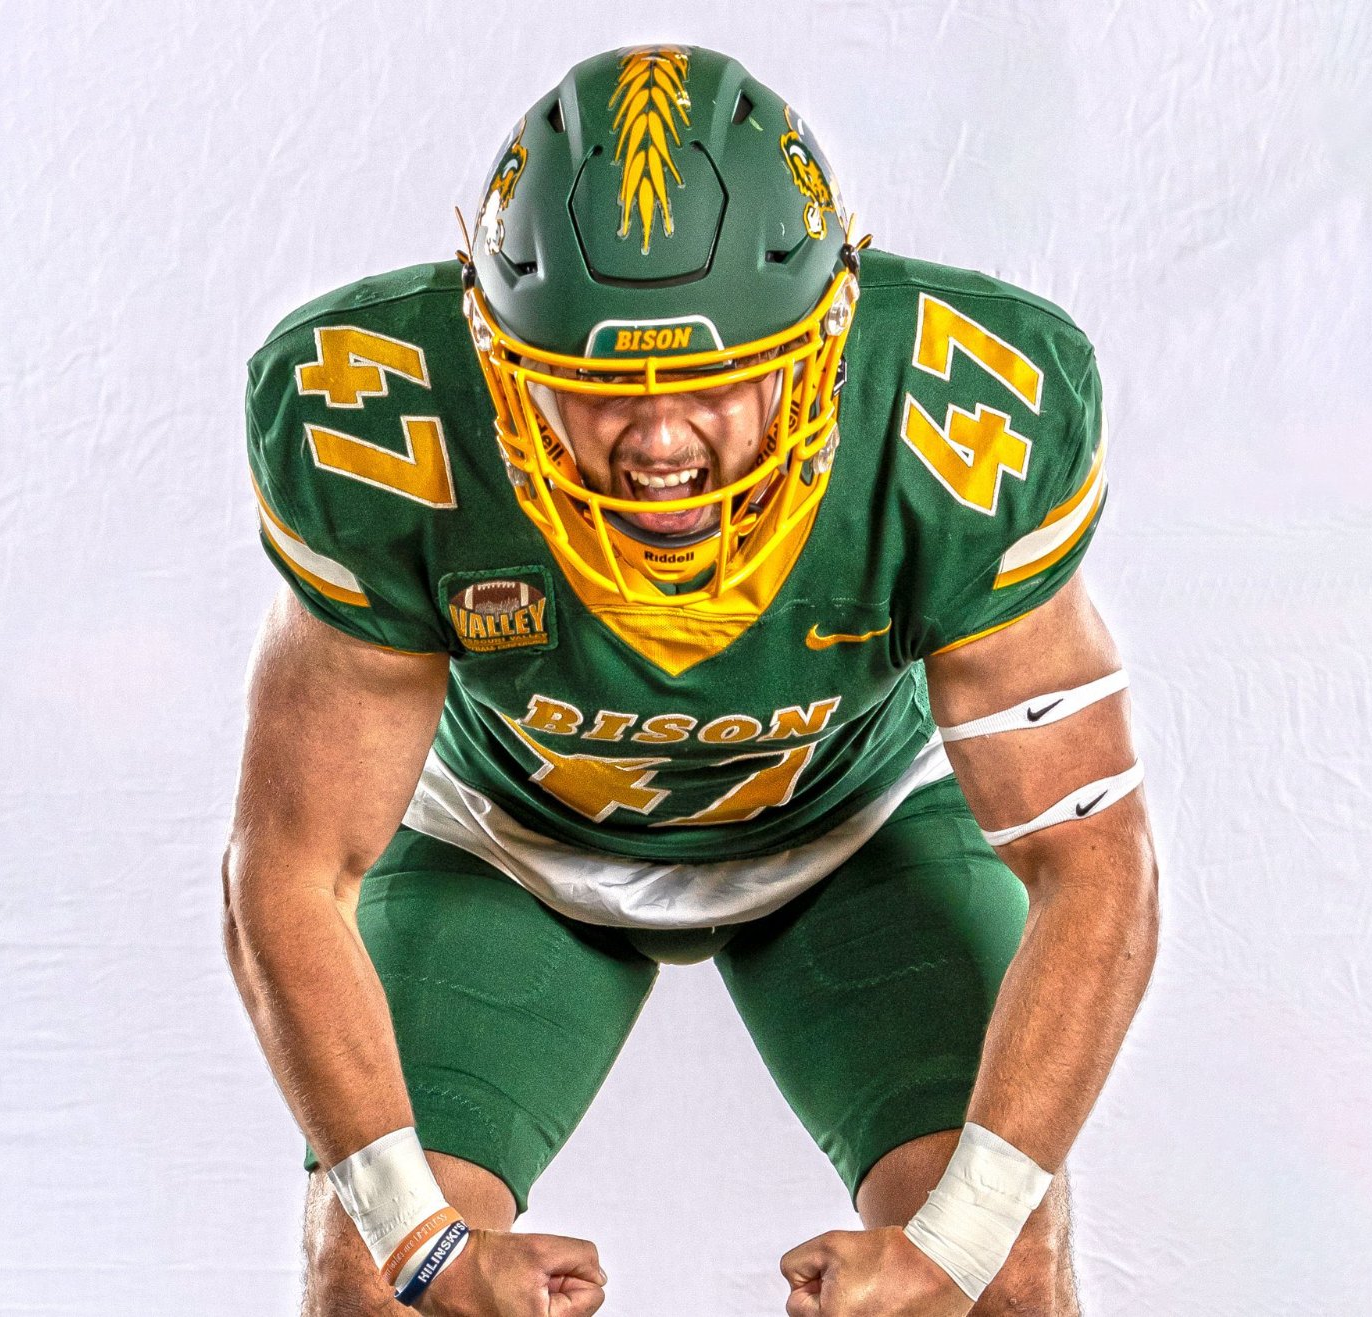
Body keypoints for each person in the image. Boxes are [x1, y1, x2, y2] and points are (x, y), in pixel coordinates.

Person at [223, 44, 1159, 1317]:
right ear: (495, 359)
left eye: (721, 380)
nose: (661, 442)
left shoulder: (956, 405)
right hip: (509, 839)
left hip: (852, 825)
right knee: (374, 1279)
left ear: (828, 345)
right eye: (595, 391)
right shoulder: (388, 418)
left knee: (999, 1271)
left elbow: (1094, 859)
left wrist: (962, 1239)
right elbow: (286, 870)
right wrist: (423, 1247)